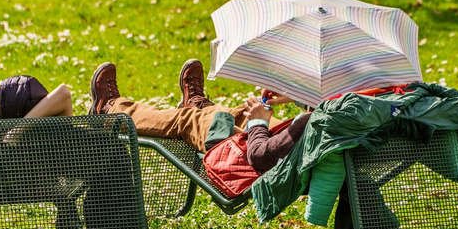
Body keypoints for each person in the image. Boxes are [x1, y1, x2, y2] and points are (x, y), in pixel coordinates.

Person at [87, 59, 310, 174]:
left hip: (282, 162)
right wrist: (296, 94)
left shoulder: (334, 118)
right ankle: (202, 107)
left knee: (190, 121)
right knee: (240, 113)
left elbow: (262, 156)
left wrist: (259, 123)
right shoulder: (343, 111)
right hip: (302, 146)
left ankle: (111, 110)